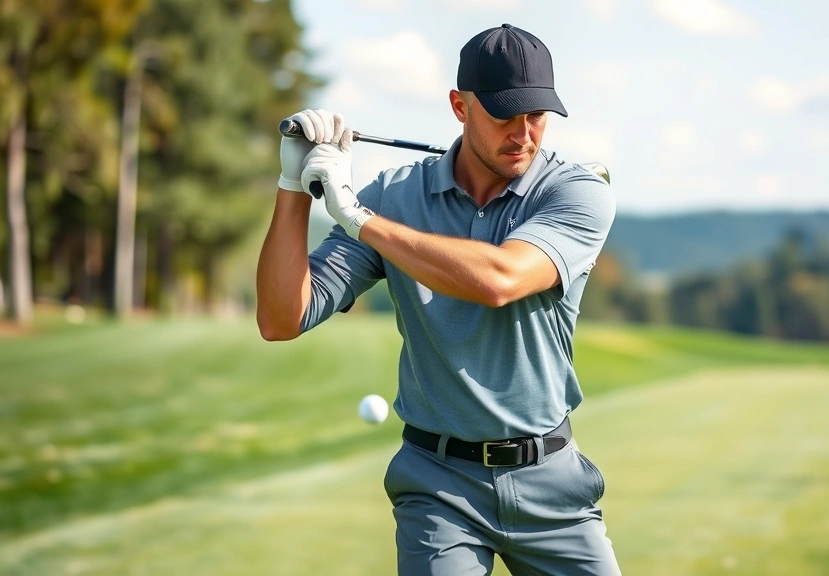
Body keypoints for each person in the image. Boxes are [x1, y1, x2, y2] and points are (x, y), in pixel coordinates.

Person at [256, 23, 620, 575]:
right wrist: (293, 188)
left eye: (537, 115)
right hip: (438, 485)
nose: (524, 133)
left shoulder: (575, 192)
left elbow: (499, 281)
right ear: (460, 107)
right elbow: (282, 318)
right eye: (505, 115)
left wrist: (358, 217)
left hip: (552, 482)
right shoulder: (396, 197)